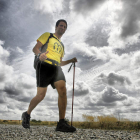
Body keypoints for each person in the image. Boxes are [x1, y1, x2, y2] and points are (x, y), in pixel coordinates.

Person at [21, 19, 77, 132]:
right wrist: (40, 54)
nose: (63, 28)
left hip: (57, 68)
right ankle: (26, 114)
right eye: (61, 25)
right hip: (44, 65)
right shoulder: (48, 35)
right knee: (41, 96)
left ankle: (61, 123)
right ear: (56, 27)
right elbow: (35, 48)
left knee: (63, 91)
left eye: (65, 27)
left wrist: (70, 60)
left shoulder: (62, 45)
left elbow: (60, 62)